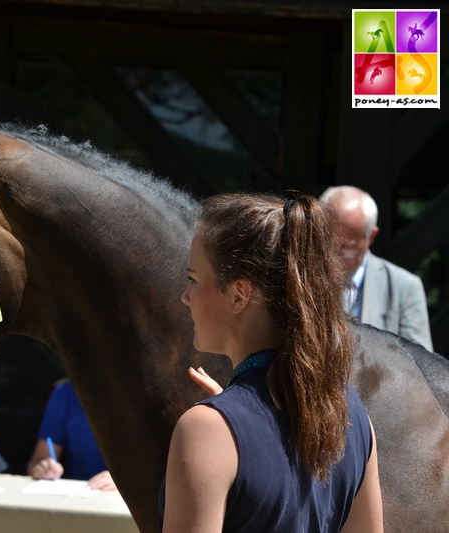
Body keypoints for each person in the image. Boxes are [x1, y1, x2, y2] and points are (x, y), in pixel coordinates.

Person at [161, 194, 383, 532]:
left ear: (239, 295)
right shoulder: (352, 413)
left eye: (193, 279)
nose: (185, 296)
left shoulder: (206, 430)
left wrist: (227, 424)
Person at [320, 185, 433, 350]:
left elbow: (421, 365)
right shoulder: (302, 277)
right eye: (327, 243)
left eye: (347, 247)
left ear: (370, 236)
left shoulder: (405, 287)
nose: (335, 256)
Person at [27, 380, 116, 491]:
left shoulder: (140, 389)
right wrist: (43, 468)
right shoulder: (65, 393)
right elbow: (37, 462)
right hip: (77, 497)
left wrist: (123, 480)